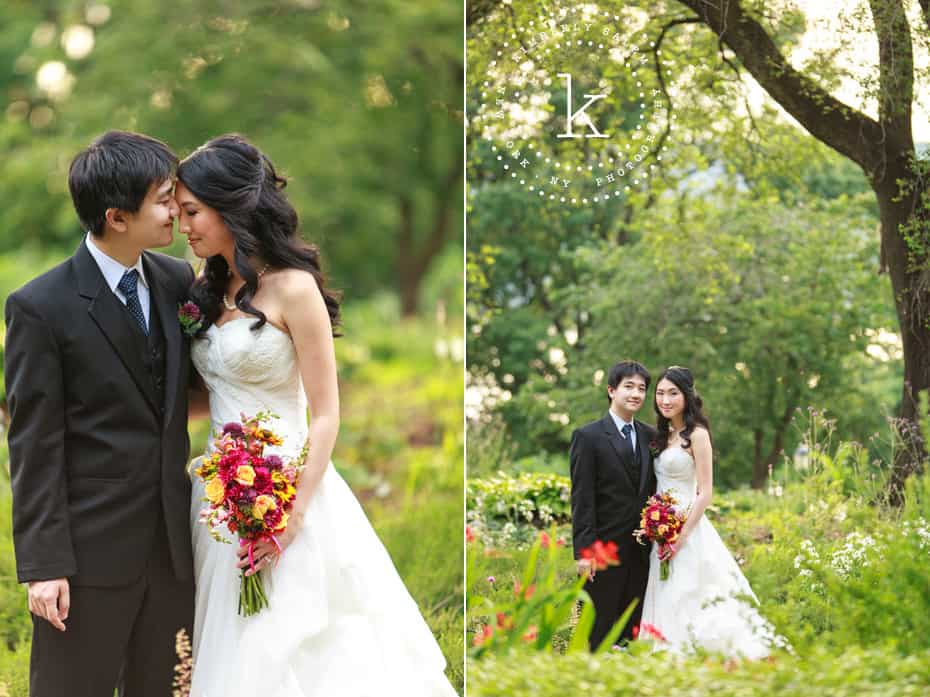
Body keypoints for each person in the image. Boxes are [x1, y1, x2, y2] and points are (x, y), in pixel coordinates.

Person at [175, 134, 457, 696]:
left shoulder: (294, 288)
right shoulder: (206, 290)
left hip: (289, 484)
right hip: (217, 494)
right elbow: (210, 392)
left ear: (231, 206)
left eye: (192, 212)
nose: (183, 226)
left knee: (294, 642)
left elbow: (326, 413)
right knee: (231, 641)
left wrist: (293, 512)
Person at [4, 131, 196, 696]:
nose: (175, 211)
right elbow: (34, 443)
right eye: (164, 199)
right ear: (117, 216)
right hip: (87, 560)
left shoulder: (176, 282)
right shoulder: (40, 308)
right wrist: (43, 565)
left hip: (171, 553)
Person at [640, 366, 781, 658]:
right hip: (660, 528)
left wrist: (680, 536)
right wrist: (656, 525)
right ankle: (669, 653)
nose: (665, 400)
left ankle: (707, 653)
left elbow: (705, 492)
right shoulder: (662, 435)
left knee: (696, 591)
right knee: (667, 591)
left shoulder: (698, 435)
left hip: (688, 527)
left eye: (673, 393)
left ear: (687, 396)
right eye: (660, 393)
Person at [569, 360, 658, 651]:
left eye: (642, 389)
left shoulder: (650, 436)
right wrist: (584, 551)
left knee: (632, 628)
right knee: (598, 630)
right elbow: (582, 498)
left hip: (642, 551)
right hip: (602, 550)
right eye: (628, 386)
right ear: (611, 390)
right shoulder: (588, 437)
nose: (636, 394)